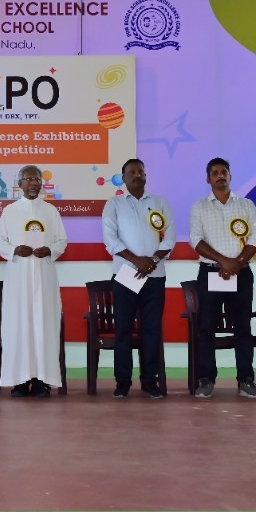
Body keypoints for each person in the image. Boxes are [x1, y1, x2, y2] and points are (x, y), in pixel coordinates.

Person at [188, 157, 256, 399]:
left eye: (224, 172)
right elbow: (196, 240)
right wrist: (224, 262)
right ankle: (206, 379)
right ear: (208, 178)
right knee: (206, 327)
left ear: (230, 176)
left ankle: (246, 380)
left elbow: (255, 239)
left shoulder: (246, 205)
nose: (220, 175)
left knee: (242, 327)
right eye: (215, 172)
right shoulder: (199, 207)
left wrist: (236, 263)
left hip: (241, 273)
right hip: (211, 273)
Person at [101, 158, 173, 398]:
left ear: (146, 175)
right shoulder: (114, 204)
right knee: (123, 329)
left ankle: (150, 381)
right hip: (126, 274)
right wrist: (137, 260)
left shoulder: (160, 203)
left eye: (140, 171)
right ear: (123, 178)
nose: (137, 175)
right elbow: (111, 239)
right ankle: (122, 381)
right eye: (131, 172)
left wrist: (151, 261)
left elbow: (169, 238)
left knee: (151, 330)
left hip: (155, 275)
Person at [0, 165, 67, 397]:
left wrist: (50, 250)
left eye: (37, 179)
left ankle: (42, 381)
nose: (34, 183)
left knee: (44, 326)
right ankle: (20, 381)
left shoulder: (51, 211)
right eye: (29, 179)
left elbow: (62, 241)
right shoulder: (10, 211)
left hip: (44, 276)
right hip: (19, 276)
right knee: (19, 326)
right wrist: (14, 249)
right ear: (20, 184)